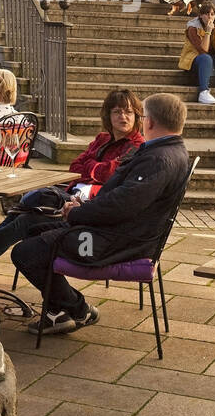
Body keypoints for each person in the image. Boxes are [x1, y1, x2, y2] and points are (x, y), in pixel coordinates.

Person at [12, 92, 190, 334]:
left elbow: (120, 205)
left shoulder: (159, 159)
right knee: (34, 228)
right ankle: (60, 311)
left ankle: (77, 308)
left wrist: (76, 214)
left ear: (149, 122)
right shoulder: (166, 151)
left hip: (112, 243)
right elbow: (117, 199)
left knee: (25, 252)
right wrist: (81, 209)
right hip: (118, 233)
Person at [0, 89, 145, 258]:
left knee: (36, 201)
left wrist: (90, 166)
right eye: (117, 112)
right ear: (108, 115)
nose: (123, 117)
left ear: (137, 116)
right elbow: (74, 167)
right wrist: (95, 168)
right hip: (71, 195)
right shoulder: (102, 139)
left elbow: (110, 174)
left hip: (90, 206)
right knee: (24, 214)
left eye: (129, 112)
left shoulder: (137, 145)